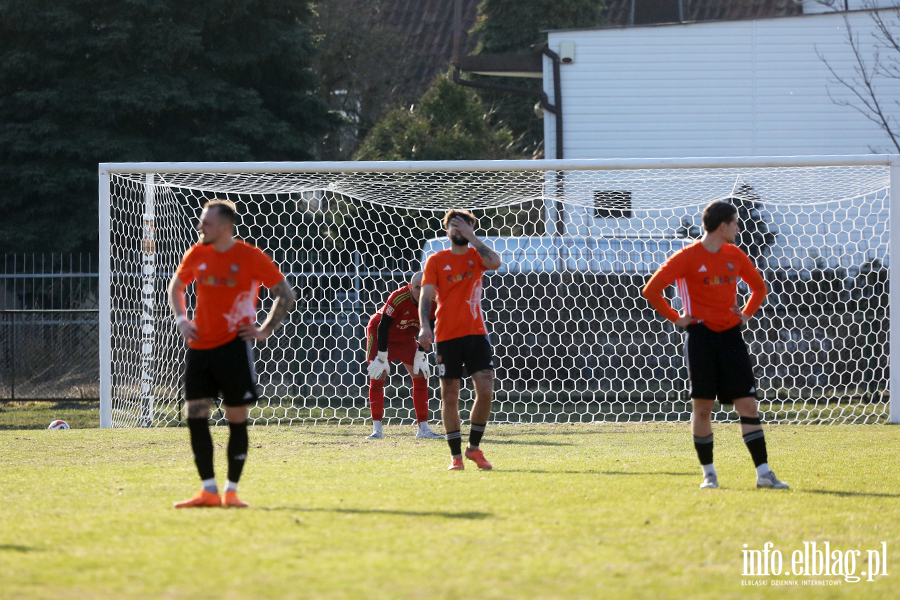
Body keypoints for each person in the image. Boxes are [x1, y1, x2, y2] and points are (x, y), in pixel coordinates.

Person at [642, 200, 789, 490]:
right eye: (734, 222)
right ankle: (709, 475)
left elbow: (759, 288)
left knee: (747, 403)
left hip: (732, 337)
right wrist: (677, 318)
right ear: (722, 226)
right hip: (701, 338)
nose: (737, 227)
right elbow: (652, 289)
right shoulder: (686, 257)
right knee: (703, 408)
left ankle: (764, 474)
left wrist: (746, 314)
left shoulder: (735, 254)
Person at [168, 199, 296, 508]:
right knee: (195, 415)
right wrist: (182, 319)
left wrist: (264, 330)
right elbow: (176, 286)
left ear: (225, 227)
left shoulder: (250, 256)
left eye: (206, 223)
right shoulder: (196, 254)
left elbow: (285, 294)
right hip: (199, 349)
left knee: (235, 418)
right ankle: (208, 490)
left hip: (234, 349)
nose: (200, 227)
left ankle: (231, 492)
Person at [418, 210, 502, 470]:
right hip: (446, 336)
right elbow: (426, 295)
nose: (459, 230)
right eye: (454, 226)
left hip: (477, 335)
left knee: (486, 391)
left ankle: (473, 449)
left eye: (464, 225)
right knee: (450, 396)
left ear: (471, 229)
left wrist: (473, 238)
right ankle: (455, 456)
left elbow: (496, 263)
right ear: (447, 231)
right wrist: (424, 326)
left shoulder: (478, 256)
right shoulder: (436, 260)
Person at [365, 272, 443, 440]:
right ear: (410, 287)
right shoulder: (398, 298)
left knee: (421, 376)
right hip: (381, 337)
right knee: (377, 376)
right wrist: (381, 356)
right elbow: (383, 327)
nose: (420, 291)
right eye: (417, 287)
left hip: (406, 339)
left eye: (425, 287)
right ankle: (377, 430)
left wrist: (421, 354)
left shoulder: (434, 302)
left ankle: (423, 430)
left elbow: (426, 331)